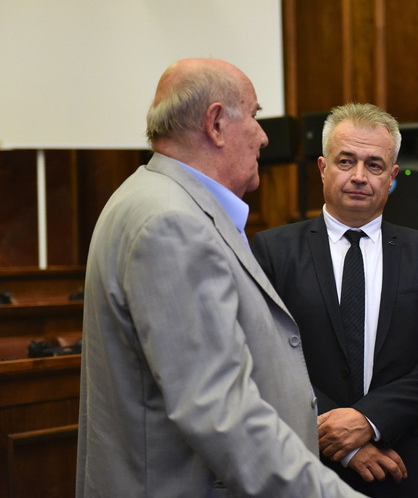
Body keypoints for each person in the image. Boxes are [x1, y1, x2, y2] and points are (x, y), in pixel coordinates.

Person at [75, 58, 365, 498]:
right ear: (215, 124)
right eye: (254, 114)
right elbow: (219, 409)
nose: (264, 136)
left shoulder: (155, 197)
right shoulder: (172, 223)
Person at [251, 103, 418, 497]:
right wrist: (342, 441)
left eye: (374, 165)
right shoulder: (272, 251)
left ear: (392, 177)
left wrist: (369, 420)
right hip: (304, 462)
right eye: (346, 161)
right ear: (322, 168)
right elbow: (264, 355)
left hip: (405, 465)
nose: (359, 176)